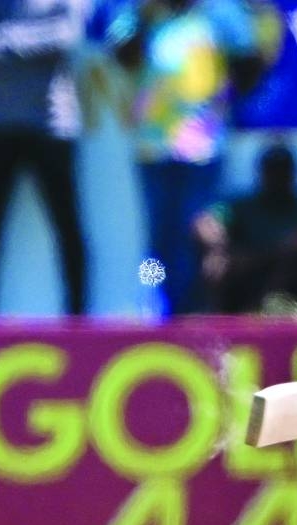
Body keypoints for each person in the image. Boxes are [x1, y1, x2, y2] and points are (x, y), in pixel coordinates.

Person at [105, 0, 264, 315]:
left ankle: (195, 307)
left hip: (204, 147)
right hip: (153, 147)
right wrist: (143, 17)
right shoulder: (140, 12)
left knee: (198, 233)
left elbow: (250, 58)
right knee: (158, 235)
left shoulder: (219, 12)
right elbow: (122, 55)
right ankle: (155, 304)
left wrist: (226, 100)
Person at [0, 0, 89, 315]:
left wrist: (5, 40)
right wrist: (25, 42)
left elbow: (67, 36)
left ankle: (78, 320)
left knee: (68, 225)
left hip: (52, 125)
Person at [193, 143, 297, 313]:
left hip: (286, 285)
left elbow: (296, 246)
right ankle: (218, 318)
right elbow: (205, 220)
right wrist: (217, 249)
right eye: (272, 170)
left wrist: (252, 258)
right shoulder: (243, 206)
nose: (277, 176)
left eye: (282, 171)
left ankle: (262, 311)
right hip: (243, 279)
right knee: (218, 265)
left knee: (285, 267)